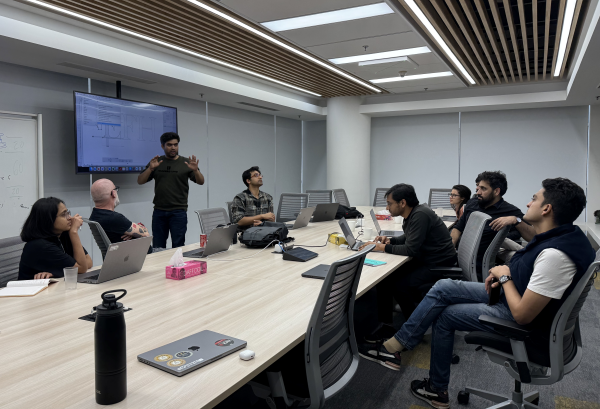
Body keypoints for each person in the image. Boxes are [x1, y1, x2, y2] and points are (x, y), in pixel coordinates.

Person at [365, 178, 594, 409]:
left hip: (522, 324)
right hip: (512, 295)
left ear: (547, 209)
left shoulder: (555, 255)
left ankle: (434, 387)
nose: (527, 203)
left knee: (445, 316)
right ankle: (400, 344)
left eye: (534, 199)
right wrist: (505, 276)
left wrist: (504, 277)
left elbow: (522, 315)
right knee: (444, 286)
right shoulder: (560, 238)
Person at [357, 184, 457, 346]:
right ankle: (386, 325)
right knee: (386, 279)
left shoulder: (420, 215)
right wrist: (390, 241)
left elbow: (410, 249)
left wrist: (382, 247)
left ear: (402, 203)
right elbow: (409, 237)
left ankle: (414, 330)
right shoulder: (415, 213)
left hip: (437, 263)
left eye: (389, 203)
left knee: (399, 284)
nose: (387, 207)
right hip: (427, 258)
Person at [451, 171, 523, 281]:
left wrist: (514, 220)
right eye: (478, 187)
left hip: (478, 267)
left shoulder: (510, 210)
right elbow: (458, 228)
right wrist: (450, 248)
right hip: (460, 256)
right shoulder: (473, 203)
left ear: (496, 191)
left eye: (483, 189)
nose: (478, 192)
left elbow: (528, 231)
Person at [137, 132, 204, 248]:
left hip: (178, 212)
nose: (173, 147)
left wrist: (196, 170)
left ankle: (175, 266)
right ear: (162, 146)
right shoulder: (157, 162)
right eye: (169, 145)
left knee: (178, 246)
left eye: (175, 144)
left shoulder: (186, 163)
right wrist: (150, 169)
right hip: (159, 211)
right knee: (158, 246)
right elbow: (140, 180)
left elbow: (201, 181)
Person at [18, 197, 93, 280]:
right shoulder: (40, 245)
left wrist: (56, 272)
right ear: (48, 219)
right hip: (29, 290)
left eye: (67, 213)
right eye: (63, 214)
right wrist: (74, 232)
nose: (69, 217)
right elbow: (82, 268)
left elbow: (88, 262)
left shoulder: (62, 235)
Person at [89, 179, 152, 253]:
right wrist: (135, 232)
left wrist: (132, 233)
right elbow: (146, 234)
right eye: (116, 189)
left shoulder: (94, 215)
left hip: (119, 259)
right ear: (113, 193)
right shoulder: (114, 218)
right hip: (138, 258)